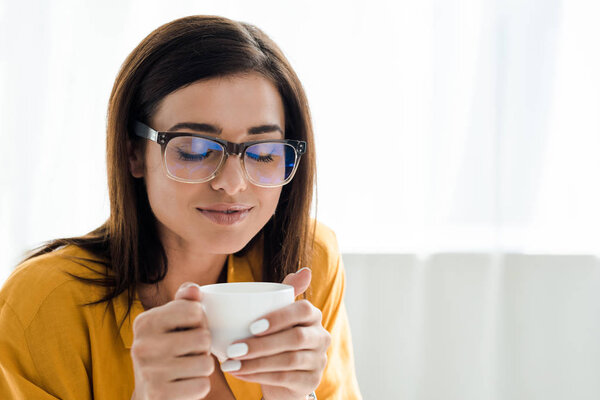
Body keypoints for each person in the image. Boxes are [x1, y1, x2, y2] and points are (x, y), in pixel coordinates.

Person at [0, 15, 362, 400]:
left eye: (264, 154)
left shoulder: (308, 259)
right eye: (195, 151)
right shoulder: (44, 302)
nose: (233, 183)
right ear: (133, 154)